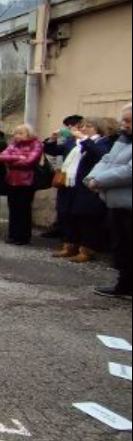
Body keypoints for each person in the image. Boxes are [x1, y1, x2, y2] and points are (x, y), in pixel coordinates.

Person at [85, 103, 132, 299]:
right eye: (124, 120)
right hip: (117, 204)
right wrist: (91, 178)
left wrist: (100, 180)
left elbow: (129, 171)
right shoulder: (124, 140)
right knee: (121, 246)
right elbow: (106, 160)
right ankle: (124, 285)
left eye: (129, 121)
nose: (124, 124)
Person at [54, 118, 111, 263]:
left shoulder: (102, 142)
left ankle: (87, 250)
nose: (84, 128)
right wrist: (51, 140)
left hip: (87, 186)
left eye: (88, 126)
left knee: (87, 218)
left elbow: (102, 155)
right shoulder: (76, 143)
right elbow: (56, 151)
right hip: (70, 184)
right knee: (68, 214)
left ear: (98, 128)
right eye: (82, 126)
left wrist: (85, 140)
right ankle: (69, 245)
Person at [0, 123, 44, 245]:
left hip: (26, 181)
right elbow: (1, 157)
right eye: (16, 133)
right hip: (12, 180)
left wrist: (12, 161)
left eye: (20, 133)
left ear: (28, 134)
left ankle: (23, 237)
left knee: (24, 209)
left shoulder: (36, 144)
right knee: (13, 209)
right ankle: (12, 235)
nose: (17, 136)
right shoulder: (14, 144)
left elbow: (29, 161)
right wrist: (19, 157)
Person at [42, 114, 84, 238]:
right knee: (63, 209)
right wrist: (52, 139)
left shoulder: (86, 141)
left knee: (76, 212)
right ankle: (66, 238)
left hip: (79, 180)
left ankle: (78, 241)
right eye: (67, 126)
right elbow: (53, 150)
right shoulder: (69, 141)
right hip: (65, 179)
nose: (69, 129)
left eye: (72, 126)